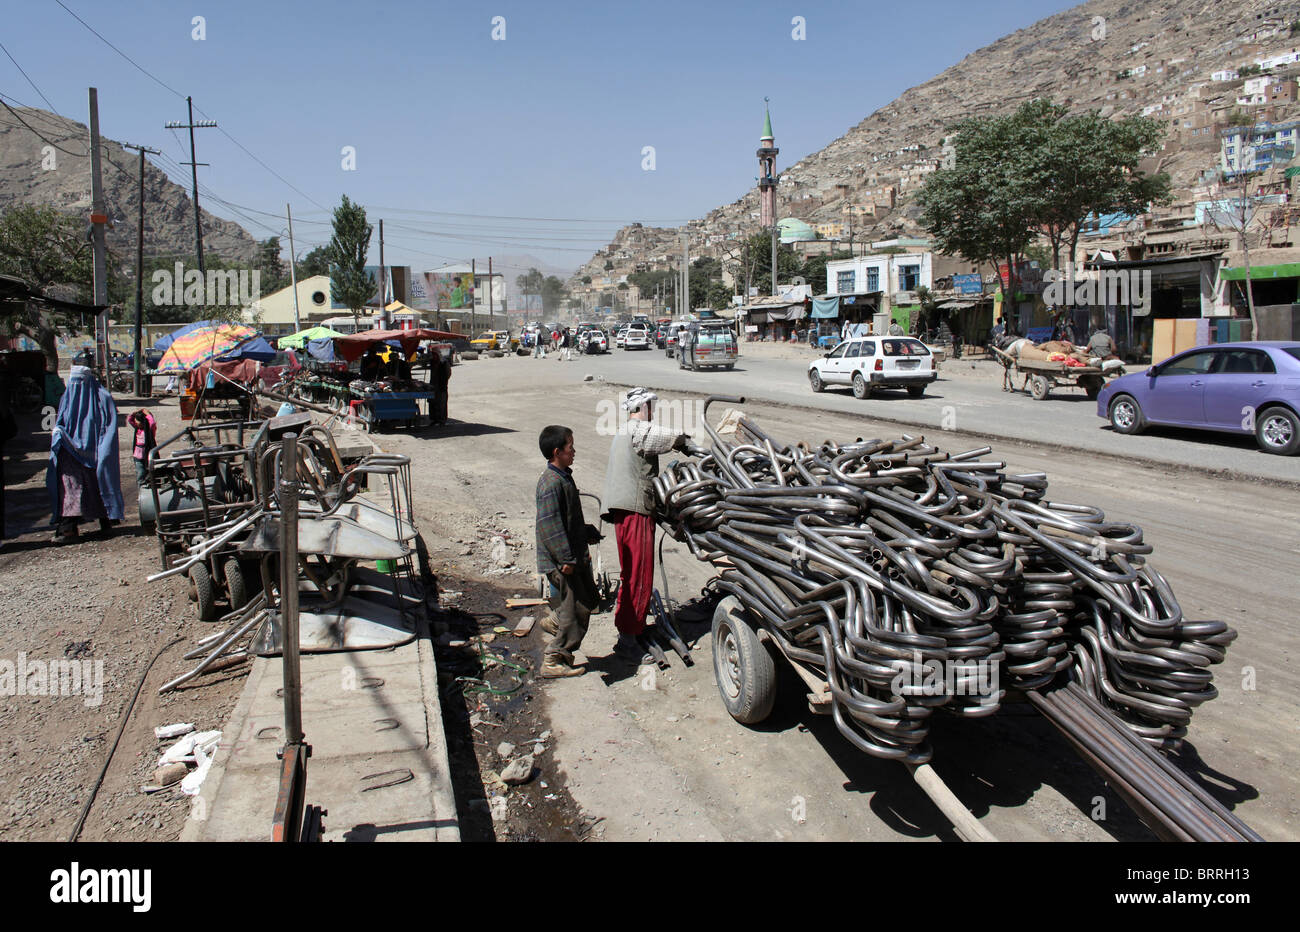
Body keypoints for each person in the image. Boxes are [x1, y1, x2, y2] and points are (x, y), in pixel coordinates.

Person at [601, 387, 689, 663]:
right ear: (644, 407)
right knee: (639, 576)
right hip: (635, 509)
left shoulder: (623, 430)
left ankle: (631, 628)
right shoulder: (638, 429)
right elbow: (659, 437)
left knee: (631, 574)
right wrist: (682, 440)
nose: (655, 410)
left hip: (623, 510)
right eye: (652, 405)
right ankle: (628, 640)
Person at [535, 425, 601, 678]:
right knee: (578, 610)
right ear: (557, 452)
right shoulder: (551, 484)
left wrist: (584, 532)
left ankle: (556, 621)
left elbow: (566, 519)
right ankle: (555, 658)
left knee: (589, 599)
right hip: (563, 560)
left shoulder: (563, 477)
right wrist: (566, 559)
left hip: (571, 555)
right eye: (570, 447)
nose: (574, 451)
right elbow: (549, 526)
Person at [47, 365, 123, 544]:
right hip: (70, 452)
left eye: (79, 381)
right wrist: (58, 432)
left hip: (94, 454)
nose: (76, 386)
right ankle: (69, 528)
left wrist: (103, 451)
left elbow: (110, 428)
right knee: (71, 489)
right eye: (73, 382)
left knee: (98, 484)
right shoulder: (67, 396)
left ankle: (107, 518)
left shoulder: (102, 398)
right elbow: (61, 421)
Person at [127, 409, 157, 489]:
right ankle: (141, 488)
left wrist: (147, 414)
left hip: (146, 455)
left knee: (149, 472)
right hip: (138, 455)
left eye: (137, 420)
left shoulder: (149, 430)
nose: (135, 422)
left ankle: (149, 487)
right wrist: (134, 413)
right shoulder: (137, 429)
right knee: (140, 472)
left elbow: (152, 422)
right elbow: (129, 420)